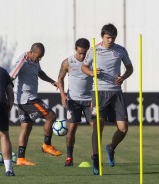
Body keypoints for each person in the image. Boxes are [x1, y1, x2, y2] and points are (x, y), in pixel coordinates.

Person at [81, 23, 134, 175]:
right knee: (98, 128)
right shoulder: (94, 50)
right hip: (99, 92)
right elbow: (84, 67)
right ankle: (96, 161)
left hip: (116, 92)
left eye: (113, 38)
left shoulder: (120, 50)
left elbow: (130, 68)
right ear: (102, 36)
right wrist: (92, 73)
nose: (110, 40)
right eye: (107, 37)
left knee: (123, 128)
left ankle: (111, 147)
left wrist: (123, 77)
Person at [9, 42, 61, 166]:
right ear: (31, 52)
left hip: (23, 100)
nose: (39, 59)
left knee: (26, 127)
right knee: (51, 116)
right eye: (38, 56)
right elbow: (11, 76)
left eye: (40, 58)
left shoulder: (34, 61)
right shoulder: (23, 61)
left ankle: (21, 159)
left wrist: (51, 81)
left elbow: (40, 72)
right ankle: (47, 145)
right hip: (27, 99)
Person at [57, 38, 92, 166]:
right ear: (75, 50)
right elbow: (60, 78)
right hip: (73, 100)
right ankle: (69, 157)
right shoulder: (68, 62)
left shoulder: (93, 62)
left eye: (84, 53)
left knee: (96, 128)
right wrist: (62, 95)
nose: (82, 56)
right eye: (80, 53)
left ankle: (96, 156)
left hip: (89, 100)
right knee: (71, 130)